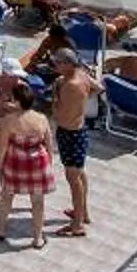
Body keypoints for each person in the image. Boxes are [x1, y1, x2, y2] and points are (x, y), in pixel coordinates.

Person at [0, 90, 60, 248]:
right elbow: (49, 145)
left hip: (16, 161)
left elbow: (3, 146)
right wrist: (49, 164)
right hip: (38, 162)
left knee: (7, 196)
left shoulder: (8, 121)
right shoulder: (42, 119)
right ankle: (38, 238)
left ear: (18, 102)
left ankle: (0, 230)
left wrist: (0, 164)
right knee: (38, 202)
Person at [46, 58, 96, 238]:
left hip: (70, 134)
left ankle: (77, 225)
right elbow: (99, 88)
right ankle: (83, 212)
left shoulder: (68, 86)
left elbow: (57, 113)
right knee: (79, 174)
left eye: (57, 63)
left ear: (67, 64)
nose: (54, 66)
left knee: (73, 178)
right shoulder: (83, 75)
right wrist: (80, 104)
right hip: (79, 130)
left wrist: (55, 96)